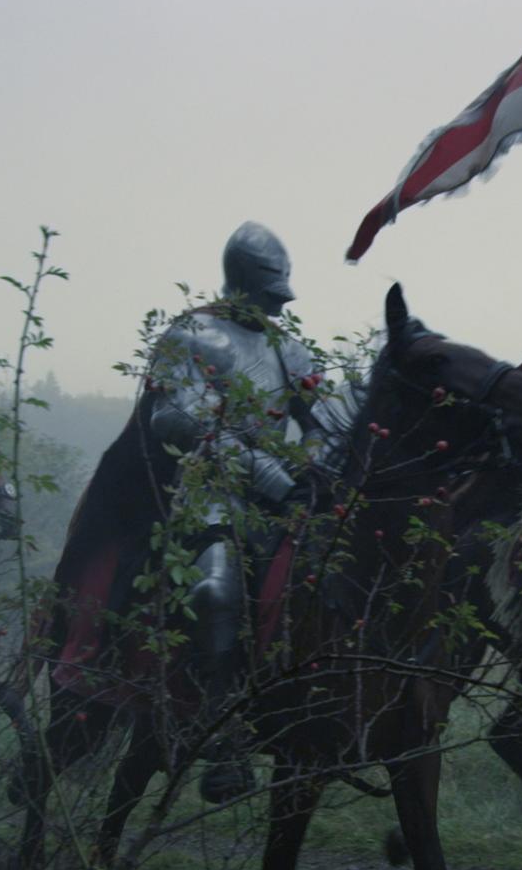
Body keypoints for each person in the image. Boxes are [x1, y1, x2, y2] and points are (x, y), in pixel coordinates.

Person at [52, 221, 328, 804]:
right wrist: (267, 472)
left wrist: (309, 467)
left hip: (281, 502)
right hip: (204, 490)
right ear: (247, 283)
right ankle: (221, 732)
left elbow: (321, 422)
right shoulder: (196, 335)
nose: (275, 306)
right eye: (269, 292)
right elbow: (179, 421)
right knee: (214, 587)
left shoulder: (289, 348)